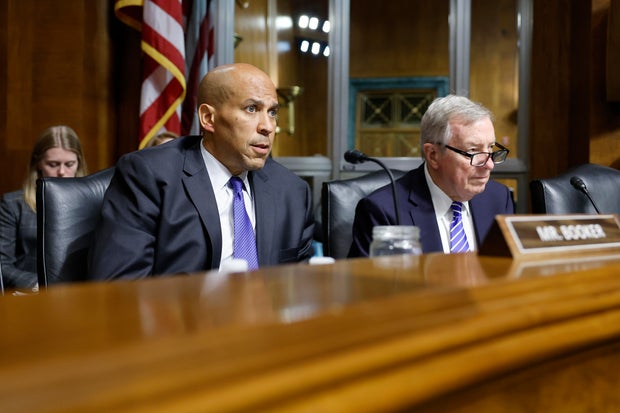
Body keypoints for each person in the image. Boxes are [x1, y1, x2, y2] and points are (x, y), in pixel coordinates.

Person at [88, 63, 315, 280]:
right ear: (208, 118)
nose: (268, 126)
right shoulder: (148, 176)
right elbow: (120, 285)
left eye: (273, 112)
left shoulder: (292, 191)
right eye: (251, 109)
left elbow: (298, 288)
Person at [348, 94, 514, 257]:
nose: (489, 164)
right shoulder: (383, 210)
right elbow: (368, 282)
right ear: (433, 155)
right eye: (473, 151)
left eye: (490, 148)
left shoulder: (499, 198)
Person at [0, 125, 88, 290]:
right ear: (38, 164)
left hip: (80, 295)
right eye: (53, 164)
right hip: (32, 296)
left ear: (79, 164)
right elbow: (2, 265)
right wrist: (38, 285)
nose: (62, 172)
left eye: (69, 164)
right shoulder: (13, 205)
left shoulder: (94, 205)